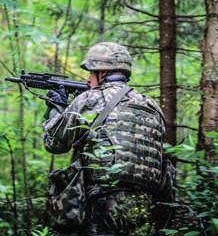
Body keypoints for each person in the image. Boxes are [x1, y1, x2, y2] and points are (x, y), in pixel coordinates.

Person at [43, 42, 174, 235]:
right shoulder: (152, 106)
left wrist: (57, 108)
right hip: (146, 206)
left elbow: (54, 144)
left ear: (102, 72)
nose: (88, 79)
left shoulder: (90, 99)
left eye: (90, 72)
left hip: (103, 205)